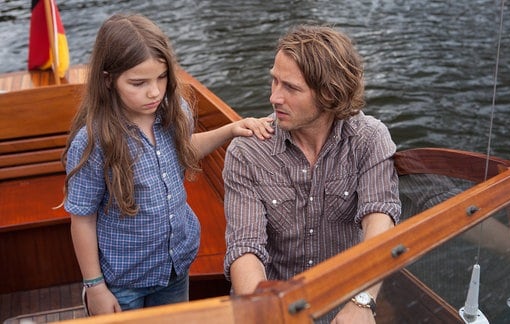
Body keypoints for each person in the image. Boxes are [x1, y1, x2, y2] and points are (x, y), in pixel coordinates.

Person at [62, 13, 273, 315]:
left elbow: (185, 149)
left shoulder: (175, 110)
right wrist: (95, 286)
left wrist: (230, 130)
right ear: (108, 80)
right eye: (138, 83)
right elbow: (82, 218)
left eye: (161, 78)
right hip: (124, 280)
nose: (154, 91)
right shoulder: (94, 140)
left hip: (175, 266)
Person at [223, 25, 401, 323]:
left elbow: (380, 220)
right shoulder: (246, 152)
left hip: (346, 304)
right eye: (274, 81)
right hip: (272, 308)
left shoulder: (370, 139)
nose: (274, 98)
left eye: (290, 88)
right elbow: (245, 249)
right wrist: (269, 313)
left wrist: (362, 301)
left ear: (329, 93)